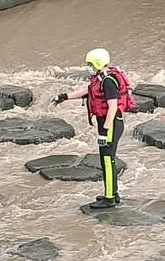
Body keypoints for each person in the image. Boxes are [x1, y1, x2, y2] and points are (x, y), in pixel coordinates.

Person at [52, 48, 135, 209]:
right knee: (106, 160)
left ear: (97, 63)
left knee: (107, 160)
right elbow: (88, 91)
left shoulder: (108, 81)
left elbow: (112, 107)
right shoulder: (101, 77)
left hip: (111, 124)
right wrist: (65, 97)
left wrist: (104, 131)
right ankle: (113, 193)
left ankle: (110, 198)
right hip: (108, 123)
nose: (88, 66)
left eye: (90, 63)